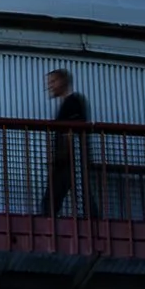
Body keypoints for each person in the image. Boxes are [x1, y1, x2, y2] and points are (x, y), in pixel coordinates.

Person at [39, 68, 99, 218]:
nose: (50, 86)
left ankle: (95, 225)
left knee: (52, 201)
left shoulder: (73, 101)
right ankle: (95, 224)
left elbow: (72, 133)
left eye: (53, 82)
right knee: (80, 194)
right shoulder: (69, 103)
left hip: (70, 161)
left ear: (62, 82)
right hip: (69, 161)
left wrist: (59, 157)